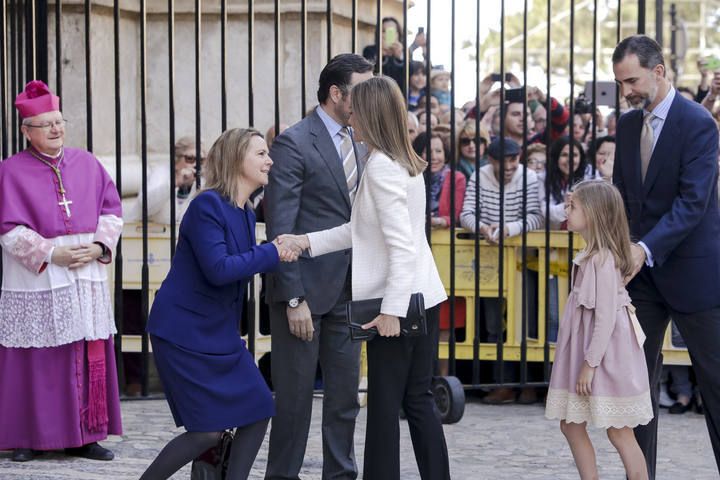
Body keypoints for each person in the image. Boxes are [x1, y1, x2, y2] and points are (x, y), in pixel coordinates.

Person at [281, 75, 451, 480]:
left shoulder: (379, 168)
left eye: (355, 110)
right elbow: (361, 231)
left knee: (386, 407)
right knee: (419, 400)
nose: (349, 117)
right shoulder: (399, 162)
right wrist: (304, 241)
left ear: (370, 114)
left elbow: (400, 247)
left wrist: (391, 312)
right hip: (422, 296)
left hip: (398, 303)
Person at [141, 128, 299, 480]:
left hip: (219, 334)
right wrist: (270, 252)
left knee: (259, 408)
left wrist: (272, 254)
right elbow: (219, 269)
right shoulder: (206, 205)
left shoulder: (244, 213)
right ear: (235, 159)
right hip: (183, 332)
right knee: (206, 432)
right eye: (260, 153)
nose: (269, 159)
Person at [612, 34, 720, 478]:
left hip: (696, 277)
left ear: (659, 72)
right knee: (636, 389)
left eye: (632, 80)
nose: (626, 92)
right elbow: (621, 196)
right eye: (620, 83)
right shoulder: (625, 126)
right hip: (640, 280)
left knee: (715, 386)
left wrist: (644, 248)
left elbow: (693, 204)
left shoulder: (699, 123)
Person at [263, 53, 373, 480]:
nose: (369, 99)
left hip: (352, 290)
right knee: (292, 403)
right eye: (361, 90)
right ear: (336, 93)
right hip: (303, 293)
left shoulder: (364, 141)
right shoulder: (293, 141)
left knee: (345, 398)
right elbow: (281, 225)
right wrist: (293, 297)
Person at [0, 80, 123, 462]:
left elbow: (113, 211)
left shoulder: (87, 163)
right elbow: (8, 230)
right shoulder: (10, 171)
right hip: (39, 277)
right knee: (36, 358)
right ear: (26, 131)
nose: (56, 129)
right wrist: (53, 254)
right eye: (45, 123)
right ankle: (29, 437)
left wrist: (100, 245)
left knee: (87, 354)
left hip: (84, 275)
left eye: (59, 121)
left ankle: (87, 436)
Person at [545, 179, 652, 480]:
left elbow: (604, 319)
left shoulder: (602, 260)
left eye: (573, 206)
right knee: (571, 424)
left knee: (620, 432)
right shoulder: (592, 256)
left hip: (603, 356)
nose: (567, 209)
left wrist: (589, 365)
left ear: (592, 213)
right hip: (589, 352)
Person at [459, 137, 544, 404]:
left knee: (526, 321)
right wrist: (482, 227)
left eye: (513, 160)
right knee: (495, 323)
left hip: (523, 258)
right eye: (503, 160)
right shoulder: (479, 176)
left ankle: (529, 383)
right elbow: (466, 213)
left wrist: (510, 229)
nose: (509, 166)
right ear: (492, 160)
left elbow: (536, 216)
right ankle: (503, 382)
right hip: (491, 257)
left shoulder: (529, 177)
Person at [125, 136, 207, 224]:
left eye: (200, 160)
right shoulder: (161, 173)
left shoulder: (202, 183)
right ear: (176, 159)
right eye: (190, 159)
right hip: (142, 234)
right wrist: (174, 183)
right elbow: (145, 205)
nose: (195, 164)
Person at [412, 131, 466, 229]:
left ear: (445, 155)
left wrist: (438, 221)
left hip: (443, 237)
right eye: (427, 151)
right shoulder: (411, 178)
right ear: (418, 154)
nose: (433, 157)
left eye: (438, 151)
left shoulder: (457, 178)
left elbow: (456, 217)